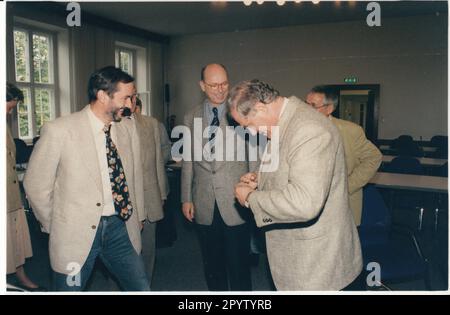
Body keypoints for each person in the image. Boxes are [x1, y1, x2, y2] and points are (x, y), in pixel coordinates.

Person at [24, 66, 149, 291]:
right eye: (126, 98)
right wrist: (57, 225)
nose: (131, 105)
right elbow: (35, 185)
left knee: (140, 287)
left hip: (120, 229)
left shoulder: (127, 128)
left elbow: (134, 176)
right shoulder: (60, 130)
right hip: (75, 235)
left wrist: (137, 213)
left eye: (133, 97)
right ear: (102, 96)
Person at [230, 79, 363, 290]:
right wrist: (260, 179)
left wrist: (250, 198)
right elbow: (292, 167)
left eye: (249, 125)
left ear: (261, 107)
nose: (252, 133)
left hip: (317, 265)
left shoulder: (309, 129)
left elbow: (305, 202)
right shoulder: (285, 121)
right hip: (300, 255)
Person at [181, 63, 252, 291]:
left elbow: (255, 157)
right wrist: (186, 198)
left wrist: (254, 191)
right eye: (213, 85)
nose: (220, 90)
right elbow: (189, 161)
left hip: (236, 201)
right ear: (202, 86)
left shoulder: (241, 112)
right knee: (212, 265)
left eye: (224, 83)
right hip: (203, 202)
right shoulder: (191, 117)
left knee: (239, 267)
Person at [306, 86, 382, 225]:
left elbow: (374, 157)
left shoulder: (351, 131)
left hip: (341, 205)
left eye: (313, 106)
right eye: (306, 104)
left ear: (329, 109)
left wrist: (348, 185)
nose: (306, 110)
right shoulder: (301, 130)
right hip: (308, 204)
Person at [6, 83, 43, 291]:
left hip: (11, 196)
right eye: (9, 107)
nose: (11, 112)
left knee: (16, 239)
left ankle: (21, 276)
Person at [127, 96, 167, 285]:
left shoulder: (150, 124)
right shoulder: (107, 125)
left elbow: (158, 160)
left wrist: (162, 193)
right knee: (123, 259)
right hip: (121, 206)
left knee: (147, 253)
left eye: (133, 95)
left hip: (149, 198)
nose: (130, 100)